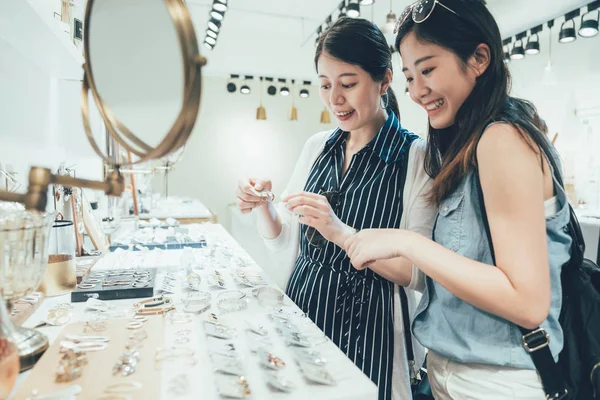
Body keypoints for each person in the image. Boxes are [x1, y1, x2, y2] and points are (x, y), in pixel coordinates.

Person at [344, 0, 572, 399]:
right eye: (410, 77)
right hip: (455, 372)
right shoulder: (468, 144)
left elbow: (527, 301)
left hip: (498, 382)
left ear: (480, 57)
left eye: (428, 70)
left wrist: (408, 242)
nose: (416, 91)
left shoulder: (502, 139)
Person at [235, 17, 435, 400]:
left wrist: (341, 232)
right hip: (303, 312)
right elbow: (286, 240)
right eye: (325, 85)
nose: (334, 99)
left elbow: (417, 273)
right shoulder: (318, 146)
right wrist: (263, 205)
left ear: (384, 80)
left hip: (372, 333)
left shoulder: (416, 158)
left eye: (348, 84)